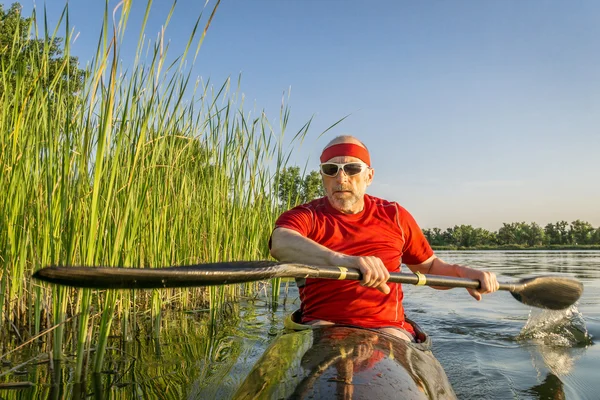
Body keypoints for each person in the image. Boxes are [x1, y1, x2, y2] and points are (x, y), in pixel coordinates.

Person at [269, 135, 500, 342]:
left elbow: (428, 267)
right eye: (331, 169)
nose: (341, 178)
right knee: (325, 334)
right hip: (321, 324)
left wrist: (464, 273)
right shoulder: (306, 215)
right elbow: (280, 242)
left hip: (388, 328)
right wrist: (344, 260)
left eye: (351, 169)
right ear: (322, 176)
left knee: (390, 336)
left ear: (369, 176)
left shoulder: (395, 215)